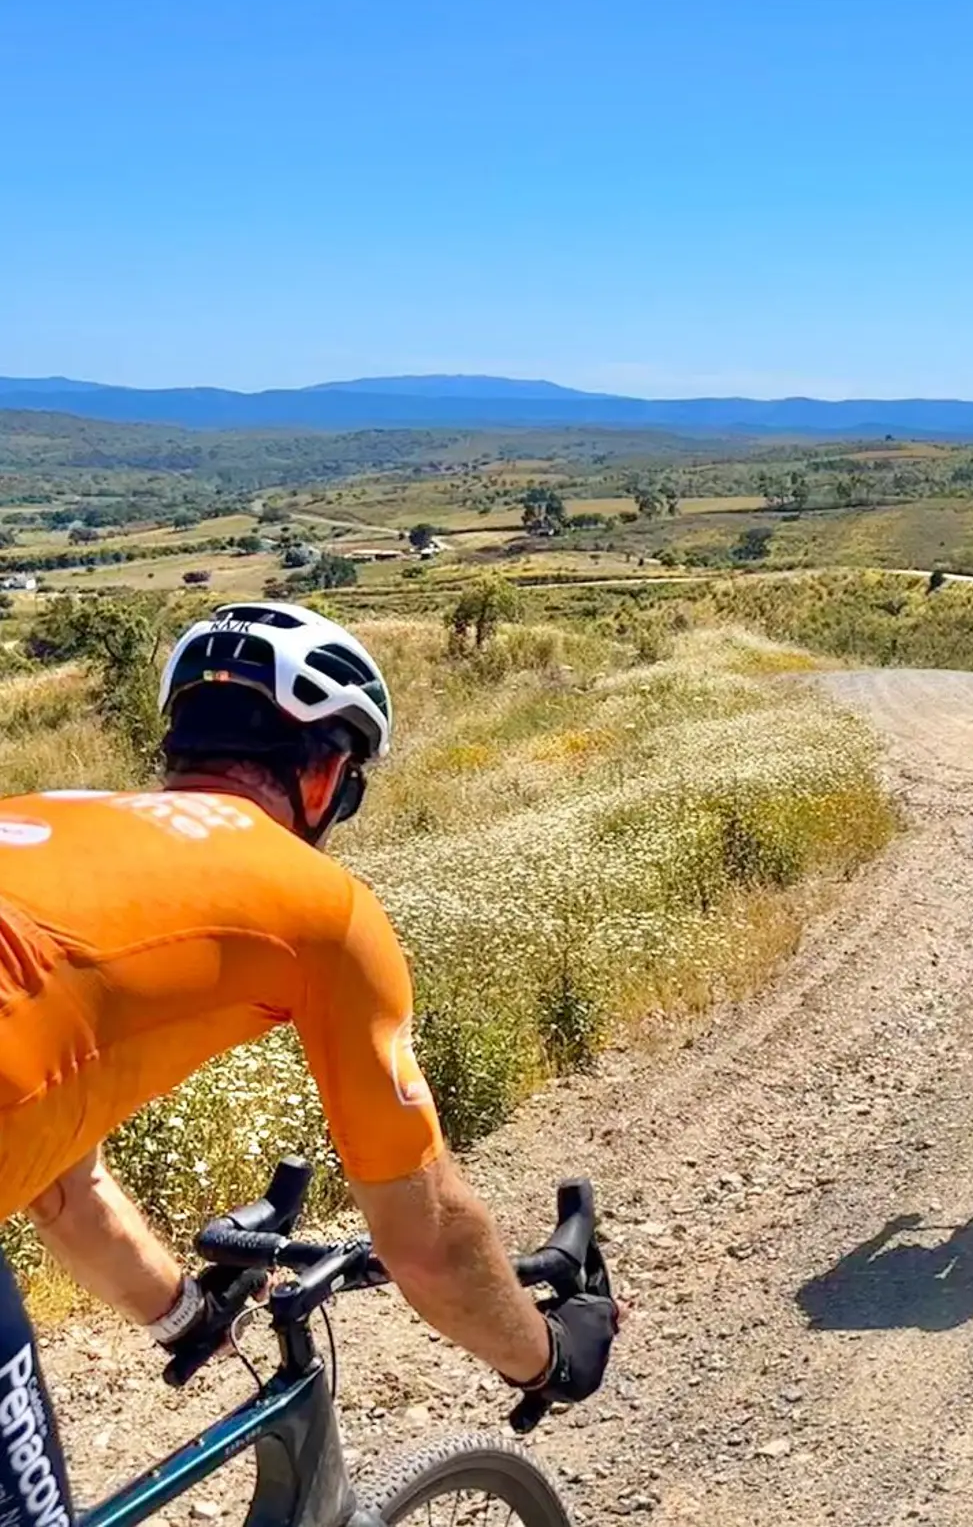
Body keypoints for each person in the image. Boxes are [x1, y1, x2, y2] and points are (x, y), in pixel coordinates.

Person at [0, 603, 619, 1527]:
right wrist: (548, 1355)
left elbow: (55, 1176)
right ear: (329, 777)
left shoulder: (40, 818)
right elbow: (433, 1242)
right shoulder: (323, 911)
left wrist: (184, 1313)